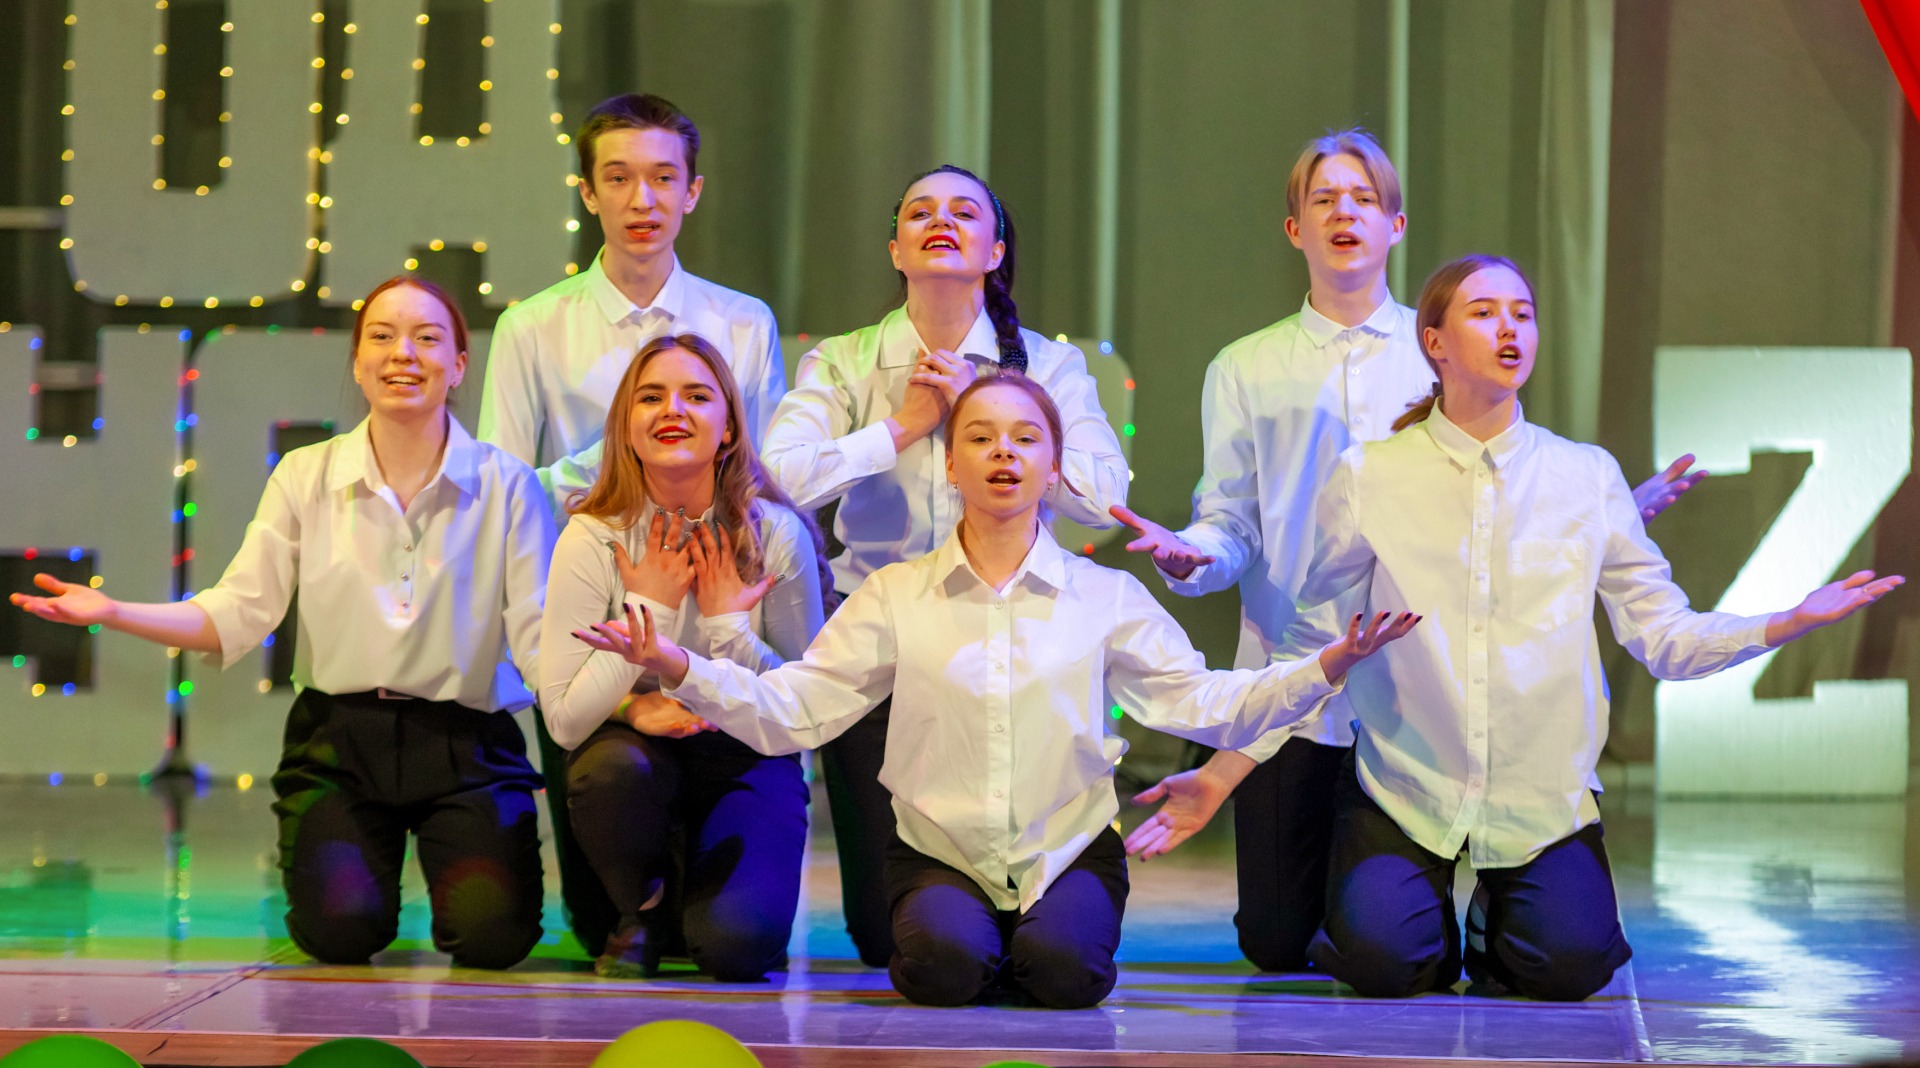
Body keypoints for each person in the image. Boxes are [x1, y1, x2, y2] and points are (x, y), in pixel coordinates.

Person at [578, 372, 1418, 1008]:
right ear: (951, 464)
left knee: (1065, 974)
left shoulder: (1106, 598)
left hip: (1067, 849)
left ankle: (1035, 938)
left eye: (1025, 439)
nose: (1004, 453)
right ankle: (972, 938)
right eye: (980, 437)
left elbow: (1207, 702)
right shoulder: (896, 594)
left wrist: (1327, 665)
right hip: (940, 850)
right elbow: (795, 711)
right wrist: (684, 665)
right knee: (943, 969)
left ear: (1053, 468)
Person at [1113, 129, 1708, 973]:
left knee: (1450, 921)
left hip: (1426, 683)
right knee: (1278, 942)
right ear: (1295, 229)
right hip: (1302, 669)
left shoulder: (1452, 342)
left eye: (1364, 199)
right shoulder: (1246, 367)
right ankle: (1385, 911)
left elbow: (1506, 499)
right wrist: (1195, 555)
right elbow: (1233, 519)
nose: (1344, 213)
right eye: (1324, 199)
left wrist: (1612, 515)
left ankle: (1474, 911)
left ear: (1395, 225)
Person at [1284, 254, 1902, 1000]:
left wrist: (1785, 621)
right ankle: (1413, 911)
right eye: (1484, 312)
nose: (1510, 328)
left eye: (1523, 314)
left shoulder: (1586, 476)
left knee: (1569, 965)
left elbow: (1663, 637)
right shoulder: (1370, 473)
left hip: (1539, 797)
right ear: (1435, 342)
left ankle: (1491, 919)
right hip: (1408, 783)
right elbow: (1319, 612)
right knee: (1383, 963)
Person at [14, 277, 554, 970]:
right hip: (340, 745)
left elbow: (540, 633)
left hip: (468, 747)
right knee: (338, 934)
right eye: (382, 337)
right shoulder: (306, 476)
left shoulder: (509, 485)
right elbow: (238, 611)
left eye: (427, 338)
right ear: (358, 363)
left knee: (492, 939)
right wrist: (114, 612)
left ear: (458, 365)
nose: (403, 354)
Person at [758, 165, 1129, 968]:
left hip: (1018, 632)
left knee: (1037, 926)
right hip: (881, 638)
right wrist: (900, 429)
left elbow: (1106, 497)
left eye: (964, 213)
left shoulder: (1048, 366)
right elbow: (775, 479)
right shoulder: (847, 361)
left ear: (995, 251)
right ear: (896, 249)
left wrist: (984, 407)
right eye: (921, 213)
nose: (942, 222)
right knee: (882, 936)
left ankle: (1031, 930)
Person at [478, 92, 786, 957]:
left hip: (716, 598)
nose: (641, 200)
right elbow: (505, 490)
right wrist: (624, 464)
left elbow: (759, 474)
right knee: (606, 908)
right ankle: (633, 903)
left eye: (662, 178)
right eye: (618, 178)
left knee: (731, 930)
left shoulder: (742, 321)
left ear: (693, 191)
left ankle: (711, 899)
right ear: (588, 193)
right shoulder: (533, 326)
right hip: (592, 609)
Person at [539, 333, 829, 980]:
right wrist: (651, 611)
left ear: (728, 429)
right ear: (627, 428)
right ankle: (639, 906)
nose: (673, 409)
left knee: (736, 949)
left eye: (696, 396)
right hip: (631, 761)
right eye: (651, 397)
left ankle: (704, 895)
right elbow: (563, 720)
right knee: (610, 770)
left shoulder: (776, 533)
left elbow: (807, 710)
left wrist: (729, 630)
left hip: (746, 752)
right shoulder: (591, 536)